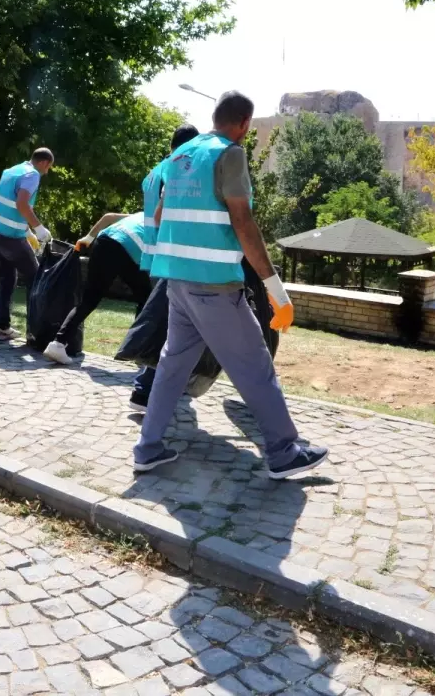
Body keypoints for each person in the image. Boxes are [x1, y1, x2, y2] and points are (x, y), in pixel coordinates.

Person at [133, 91, 322, 480]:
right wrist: (276, 288)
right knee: (254, 364)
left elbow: (159, 212)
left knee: (173, 365)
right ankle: (284, 452)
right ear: (244, 124)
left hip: (178, 281)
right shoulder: (229, 153)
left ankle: (148, 447)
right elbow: (243, 221)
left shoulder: (181, 156)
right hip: (215, 285)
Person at [126, 123, 200, 408]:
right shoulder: (179, 168)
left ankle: (163, 384)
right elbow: (164, 215)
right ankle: (144, 390)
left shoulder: (154, 171)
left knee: (166, 323)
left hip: (153, 255)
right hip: (172, 257)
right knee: (166, 326)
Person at [43, 211, 153, 365]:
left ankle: (58, 343)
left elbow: (109, 217)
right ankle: (138, 349)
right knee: (147, 298)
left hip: (104, 241)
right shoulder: (168, 224)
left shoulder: (142, 214)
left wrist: (88, 237)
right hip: (125, 250)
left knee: (89, 299)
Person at [0, 148, 55, 341]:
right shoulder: (32, 175)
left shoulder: (12, 171)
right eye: (49, 167)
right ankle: (34, 332)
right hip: (10, 238)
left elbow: (10, 205)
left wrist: (27, 232)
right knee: (36, 279)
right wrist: (38, 228)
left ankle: (2, 328)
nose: (47, 172)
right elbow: (22, 204)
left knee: (7, 279)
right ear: (45, 163)